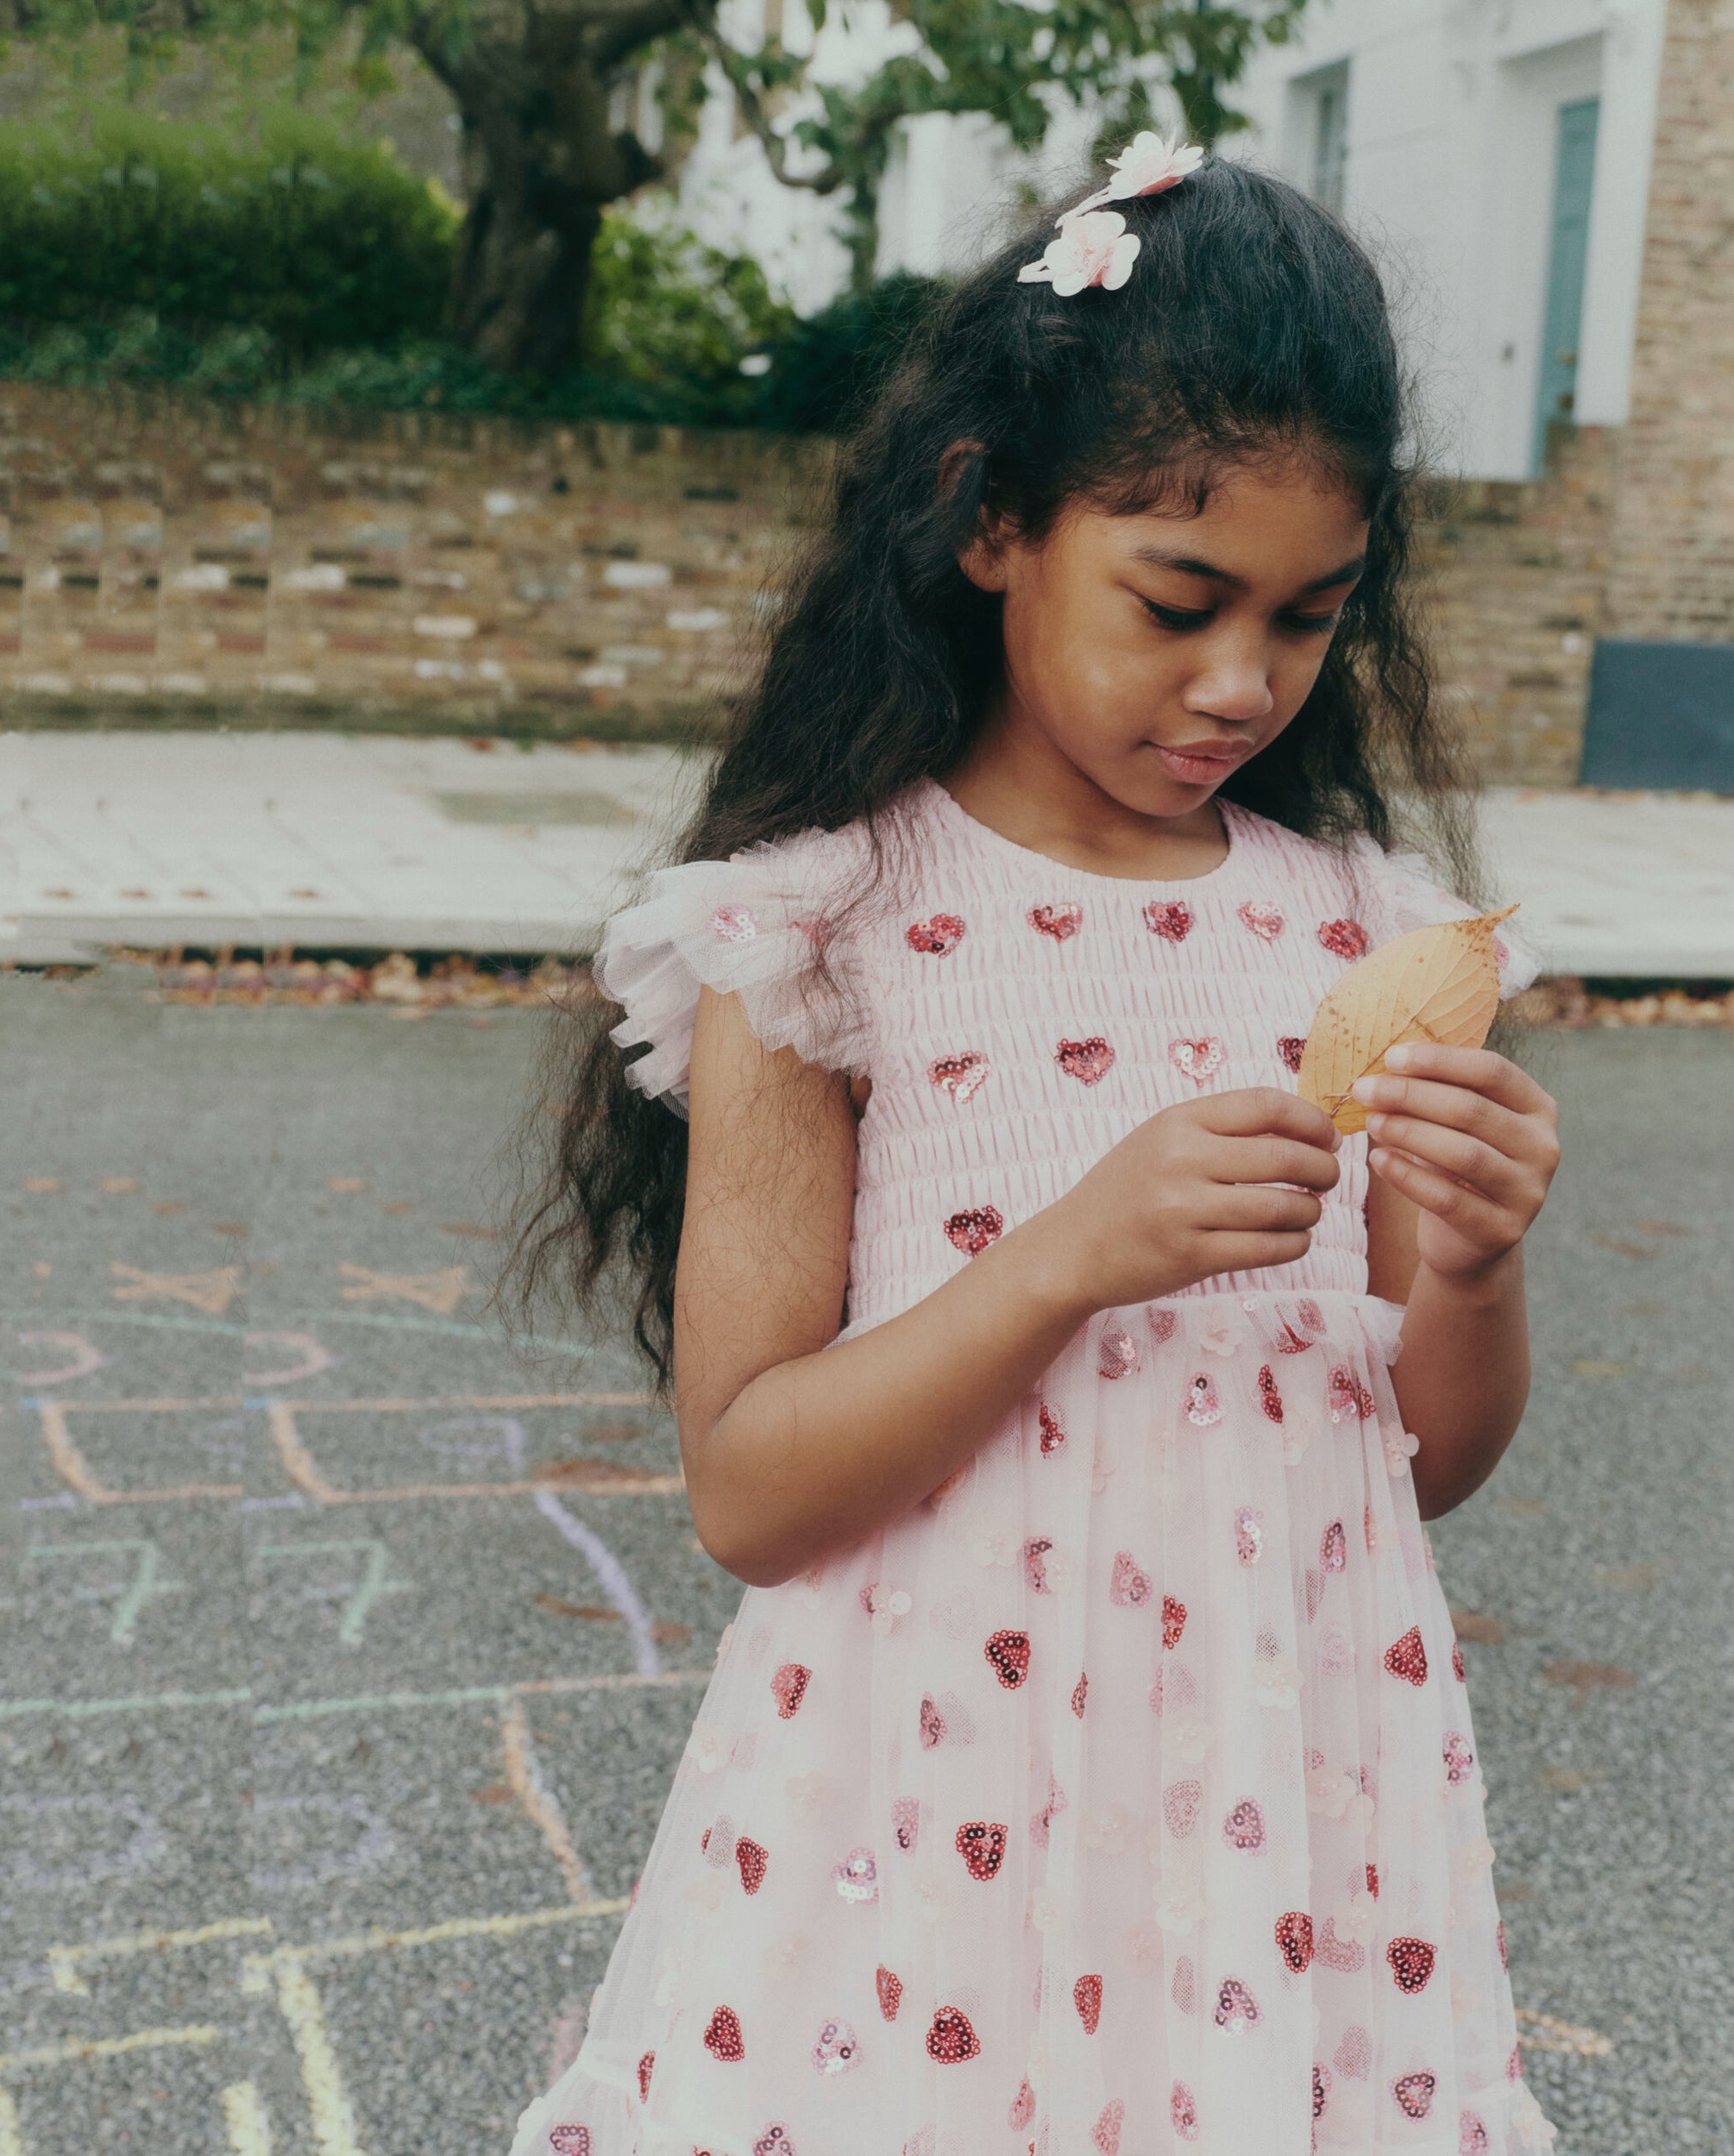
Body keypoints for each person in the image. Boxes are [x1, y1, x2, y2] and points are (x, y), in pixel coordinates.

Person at [502, 135, 1561, 2156]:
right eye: (1176, 601)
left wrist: (1480, 1263)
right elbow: (746, 1486)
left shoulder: (1359, 929)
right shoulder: (819, 932)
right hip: (923, 1802)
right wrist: (1069, 1249)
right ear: (991, 521)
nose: (1239, 679)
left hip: (1280, 1793)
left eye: (1308, 617)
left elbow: (1415, 1458)